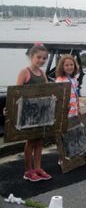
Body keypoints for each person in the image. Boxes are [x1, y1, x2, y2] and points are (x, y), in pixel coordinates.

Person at [17, 44, 52, 181]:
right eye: (39, 57)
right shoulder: (24, 72)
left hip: (41, 113)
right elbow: (16, 94)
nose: (41, 60)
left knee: (39, 141)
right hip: (28, 114)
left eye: (44, 58)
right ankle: (28, 170)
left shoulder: (42, 74)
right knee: (30, 141)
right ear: (32, 56)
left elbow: (49, 91)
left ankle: (37, 167)